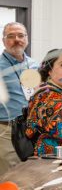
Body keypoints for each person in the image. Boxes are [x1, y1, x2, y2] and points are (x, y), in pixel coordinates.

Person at [0, 22, 38, 174]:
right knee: (11, 176)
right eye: (11, 36)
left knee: (33, 173)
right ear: (3, 41)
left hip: (32, 129)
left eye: (21, 35)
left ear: (27, 39)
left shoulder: (34, 65)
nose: (17, 39)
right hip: (6, 130)